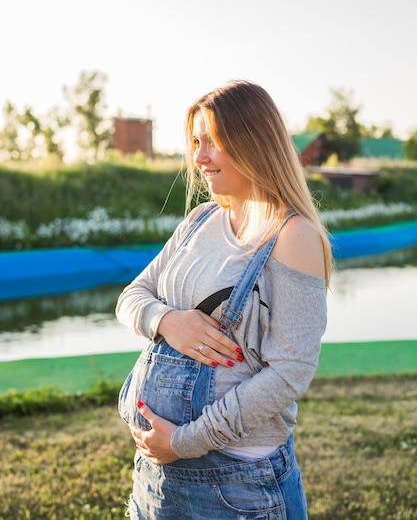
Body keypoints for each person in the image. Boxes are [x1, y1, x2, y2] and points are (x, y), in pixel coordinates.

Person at [116, 80, 332, 520]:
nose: (198, 158)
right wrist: (166, 320)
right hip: (157, 474)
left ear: (253, 140)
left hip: (236, 484)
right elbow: (131, 296)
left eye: (212, 142)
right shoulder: (200, 220)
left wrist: (184, 441)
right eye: (196, 142)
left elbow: (289, 373)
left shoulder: (294, 237)